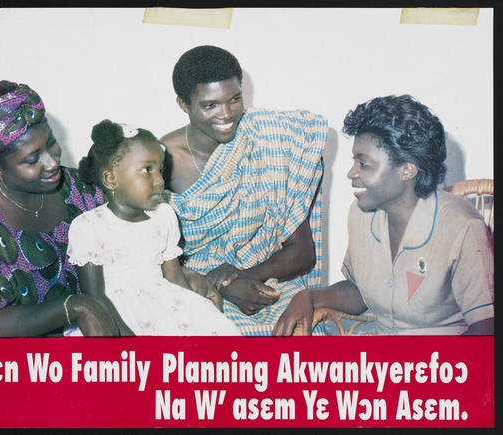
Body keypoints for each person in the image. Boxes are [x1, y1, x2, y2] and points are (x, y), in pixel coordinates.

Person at [274, 94, 494, 336]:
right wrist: (310, 296)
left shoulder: (462, 227)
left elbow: (486, 327)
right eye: (354, 161)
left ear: (407, 170)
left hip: (442, 363)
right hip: (383, 357)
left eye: (364, 164)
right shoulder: (361, 214)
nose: (351, 173)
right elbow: (359, 291)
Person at [0, 80, 123, 337]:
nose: (52, 162)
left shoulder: (77, 188)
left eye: (51, 143)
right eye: (32, 159)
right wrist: (75, 307)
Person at [161, 45, 327, 335]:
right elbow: (150, 261)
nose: (226, 114)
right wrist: (221, 287)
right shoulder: (160, 162)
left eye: (235, 99)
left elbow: (302, 252)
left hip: (267, 279)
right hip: (193, 286)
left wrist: (243, 278)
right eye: (210, 105)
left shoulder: (269, 139)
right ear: (183, 104)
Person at [67, 119, 241, 335]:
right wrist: (127, 337)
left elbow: (174, 277)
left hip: (165, 302)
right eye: (147, 170)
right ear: (111, 179)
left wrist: (198, 310)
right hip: (116, 315)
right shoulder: (88, 226)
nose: (159, 180)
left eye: (161, 170)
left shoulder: (164, 215)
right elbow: (95, 297)